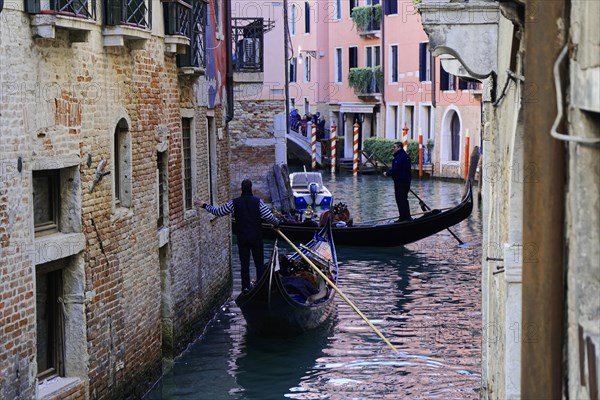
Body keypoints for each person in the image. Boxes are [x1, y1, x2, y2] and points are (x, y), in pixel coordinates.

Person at [195, 179, 279, 291]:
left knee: (244, 265)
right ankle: (261, 287)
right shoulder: (258, 202)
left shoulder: (234, 203)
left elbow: (219, 212)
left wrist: (205, 205)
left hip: (242, 238)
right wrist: (277, 224)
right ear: (251, 188)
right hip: (256, 238)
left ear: (241, 189)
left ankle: (245, 288)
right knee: (259, 264)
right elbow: (269, 217)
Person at [383, 142, 412, 221]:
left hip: (400, 182)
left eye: (394, 147)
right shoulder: (406, 156)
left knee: (400, 200)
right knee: (404, 199)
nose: (393, 148)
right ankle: (407, 217)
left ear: (399, 147)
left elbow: (396, 170)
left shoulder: (398, 157)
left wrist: (387, 173)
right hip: (407, 181)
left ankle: (403, 218)